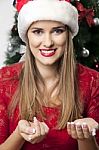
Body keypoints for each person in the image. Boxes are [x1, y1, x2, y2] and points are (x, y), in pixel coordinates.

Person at [0, 0, 99, 149]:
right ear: (27, 35)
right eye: (38, 31)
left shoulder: (93, 81)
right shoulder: (4, 80)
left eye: (57, 31)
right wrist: (19, 134)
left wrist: (85, 136)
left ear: (69, 34)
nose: (47, 43)